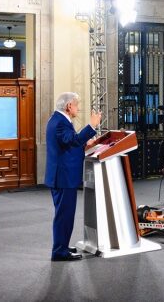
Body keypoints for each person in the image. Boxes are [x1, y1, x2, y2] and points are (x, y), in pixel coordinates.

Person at [45, 92, 100, 262]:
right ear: (69, 106)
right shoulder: (60, 122)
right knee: (64, 216)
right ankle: (59, 252)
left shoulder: (58, 119)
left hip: (61, 176)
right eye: (77, 105)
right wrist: (91, 126)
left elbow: (68, 143)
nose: (78, 108)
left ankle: (62, 245)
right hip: (63, 177)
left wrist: (84, 143)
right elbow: (71, 141)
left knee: (64, 215)